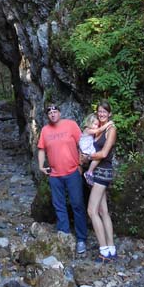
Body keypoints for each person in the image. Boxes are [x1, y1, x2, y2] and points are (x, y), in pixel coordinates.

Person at [37, 103, 88, 255]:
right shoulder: (45, 130)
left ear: (60, 112)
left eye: (55, 111)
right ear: (47, 116)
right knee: (59, 205)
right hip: (55, 175)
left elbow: (83, 144)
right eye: (49, 112)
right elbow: (41, 149)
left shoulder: (71, 125)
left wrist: (81, 163)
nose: (52, 114)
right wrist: (41, 166)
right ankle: (64, 235)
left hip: (72, 172)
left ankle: (81, 239)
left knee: (77, 204)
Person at [84, 100, 117, 262]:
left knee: (91, 211)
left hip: (103, 172)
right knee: (103, 211)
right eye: (99, 112)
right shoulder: (97, 129)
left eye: (104, 112)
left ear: (109, 113)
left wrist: (88, 157)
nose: (101, 114)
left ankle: (103, 251)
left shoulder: (111, 129)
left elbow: (104, 154)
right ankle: (111, 249)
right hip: (96, 171)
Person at [79, 113, 114, 186]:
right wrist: (108, 124)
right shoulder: (87, 130)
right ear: (89, 123)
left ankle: (89, 171)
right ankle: (89, 172)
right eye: (95, 124)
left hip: (88, 148)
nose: (96, 127)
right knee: (98, 156)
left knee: (98, 156)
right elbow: (99, 130)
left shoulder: (91, 130)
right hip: (86, 148)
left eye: (97, 125)